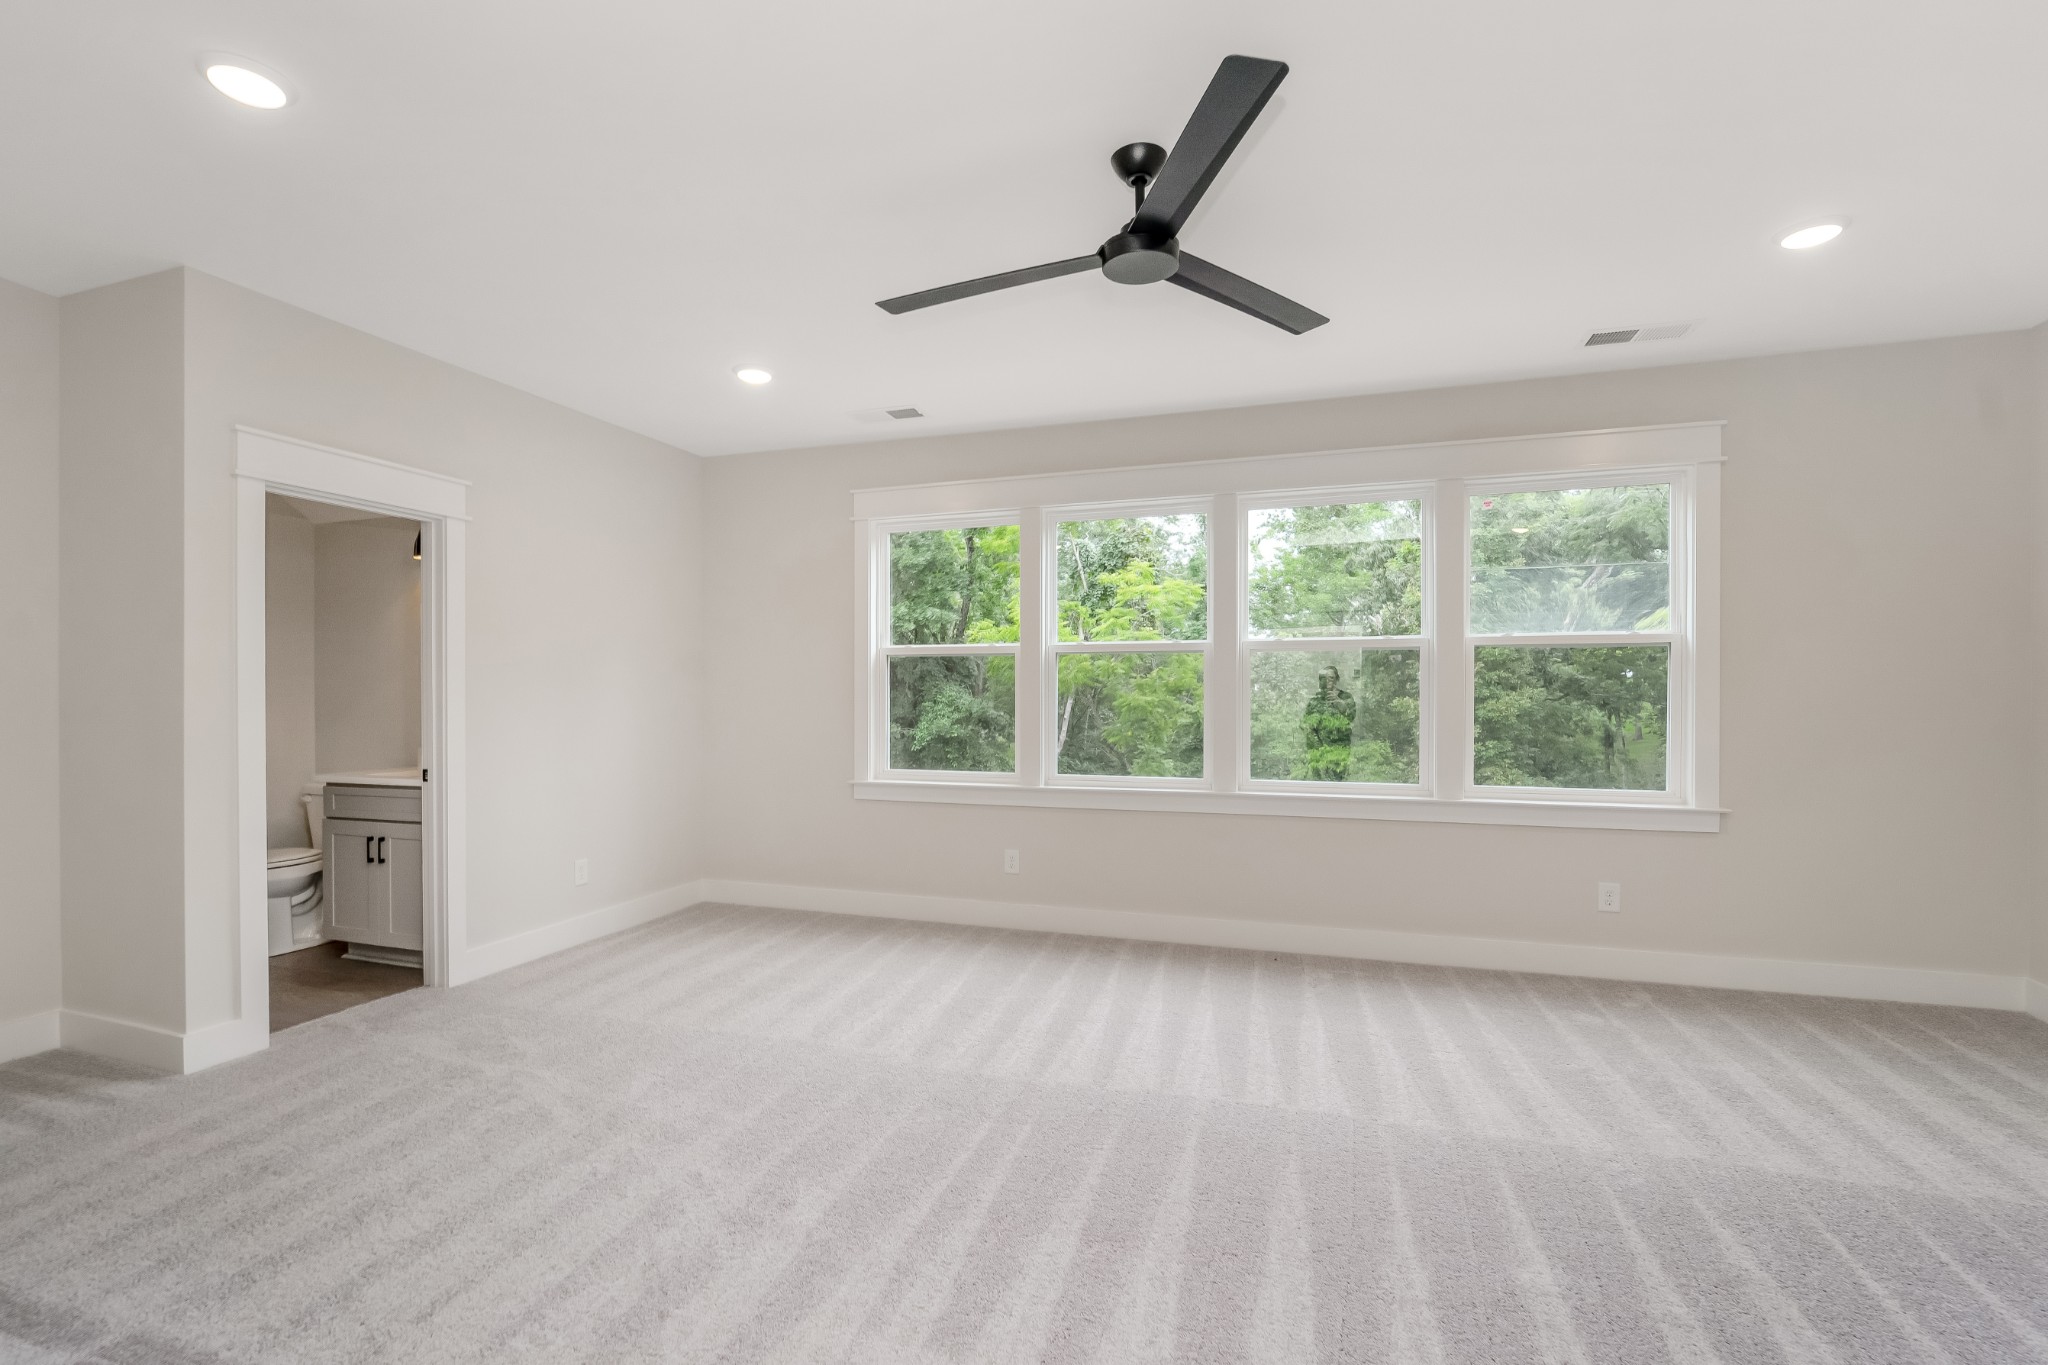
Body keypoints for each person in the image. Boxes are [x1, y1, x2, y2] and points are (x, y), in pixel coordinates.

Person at [1299, 665, 1356, 781]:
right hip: (1318, 754)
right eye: (1323, 678)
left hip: (1339, 753)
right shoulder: (1314, 700)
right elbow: (1305, 725)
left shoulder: (1346, 697)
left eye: (1331, 678)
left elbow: (1351, 719)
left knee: (1338, 785)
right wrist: (1318, 750)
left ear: (1337, 679)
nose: (1328, 681)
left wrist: (1341, 705)